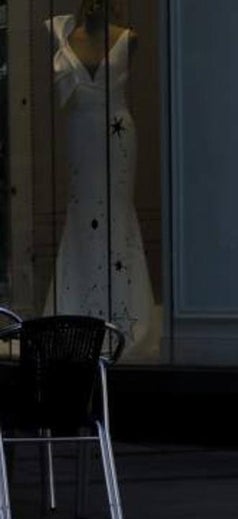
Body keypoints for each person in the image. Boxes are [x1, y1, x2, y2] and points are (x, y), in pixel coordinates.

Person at [45, 0, 156, 358]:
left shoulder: (128, 38)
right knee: (81, 214)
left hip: (117, 136)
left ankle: (125, 318)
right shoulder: (63, 36)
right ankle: (77, 312)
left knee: (117, 212)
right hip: (82, 134)